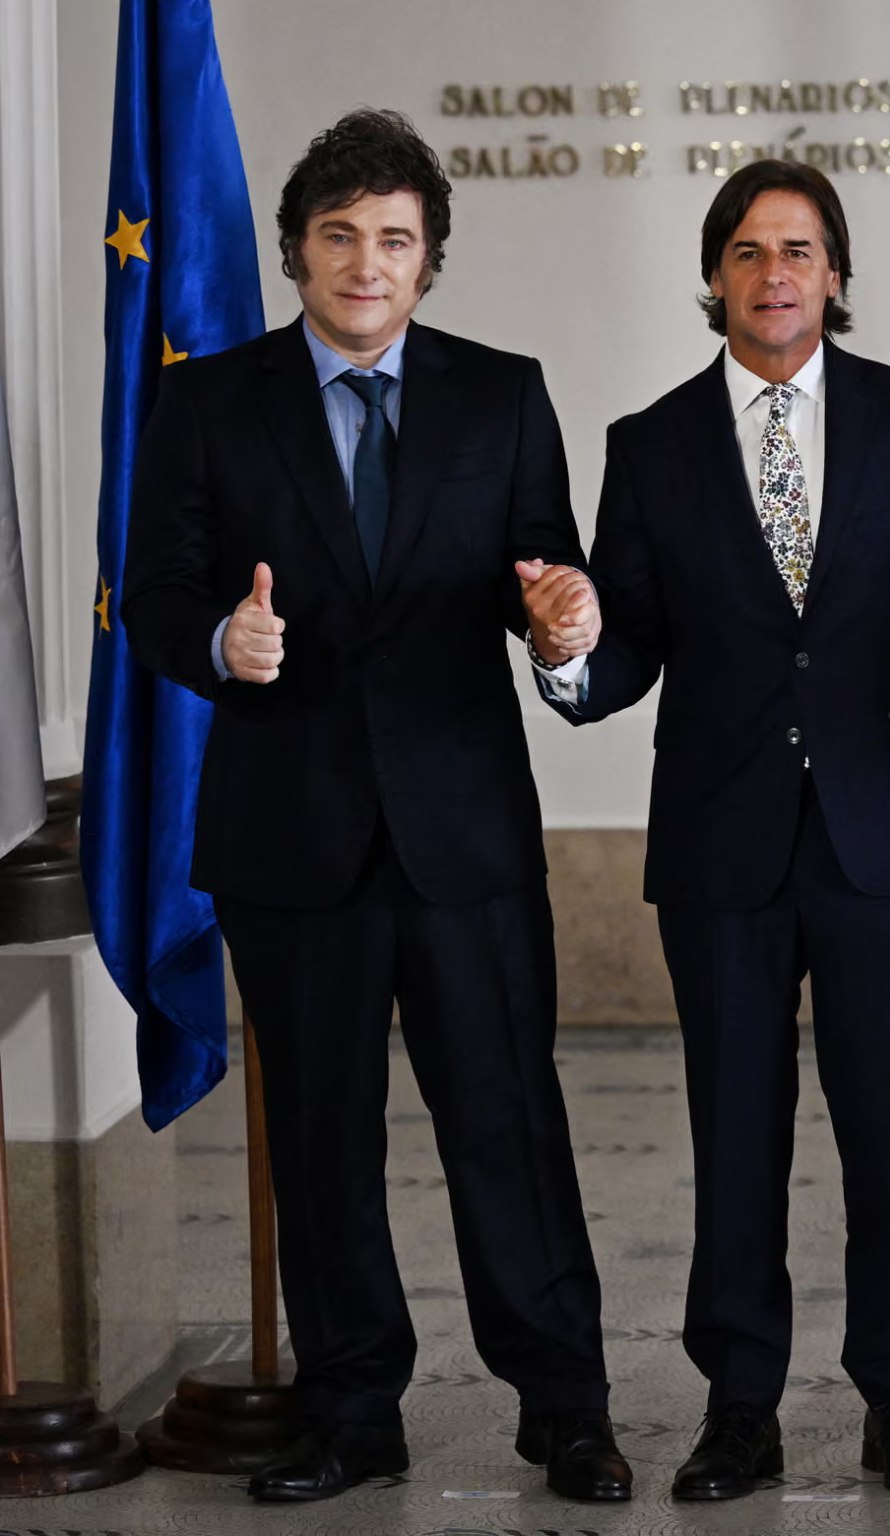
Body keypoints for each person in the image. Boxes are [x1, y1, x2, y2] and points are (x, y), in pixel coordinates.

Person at [535, 158, 890, 1503]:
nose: (774, 272)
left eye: (799, 250)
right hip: (720, 842)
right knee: (734, 1133)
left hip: (881, 833)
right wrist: (567, 649)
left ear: (836, 275)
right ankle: (740, 1411)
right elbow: (626, 649)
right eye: (748, 251)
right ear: (715, 277)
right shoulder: (651, 443)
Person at [120, 109, 627, 1504]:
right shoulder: (210, 403)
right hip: (292, 838)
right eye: (338, 235)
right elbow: (155, 596)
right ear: (296, 252)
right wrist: (221, 642)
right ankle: (352, 1415)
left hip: (463, 834)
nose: (364, 263)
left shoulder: (503, 395)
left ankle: (567, 1411)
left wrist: (563, 619)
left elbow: (547, 575)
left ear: (428, 261)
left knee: (509, 1127)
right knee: (322, 1139)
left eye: (394, 239)